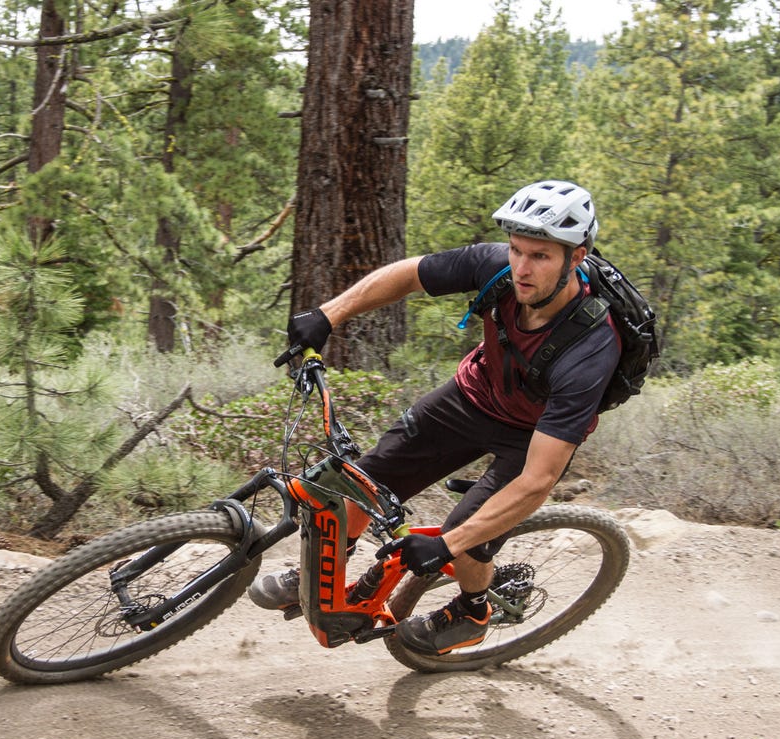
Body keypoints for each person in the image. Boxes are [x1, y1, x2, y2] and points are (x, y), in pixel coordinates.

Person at [247, 180, 622, 655]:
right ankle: (322, 573)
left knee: (467, 538)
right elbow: (411, 275)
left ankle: (472, 611)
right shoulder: (499, 269)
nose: (522, 268)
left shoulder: (591, 350)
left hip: (530, 437)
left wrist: (446, 546)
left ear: (577, 256)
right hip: (473, 397)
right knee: (363, 481)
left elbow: (538, 480)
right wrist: (329, 313)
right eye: (516, 250)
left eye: (541, 256)